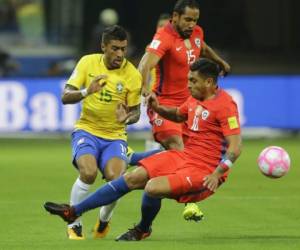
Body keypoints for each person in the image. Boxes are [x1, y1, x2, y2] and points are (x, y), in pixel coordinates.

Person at [44, 58, 242, 241]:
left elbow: (235, 147)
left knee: (152, 187)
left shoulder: (225, 105)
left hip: (204, 169)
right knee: (132, 177)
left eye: (193, 80)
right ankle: (73, 211)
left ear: (208, 82)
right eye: (188, 79)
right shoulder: (194, 98)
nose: (188, 84)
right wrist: (157, 108)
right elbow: (178, 114)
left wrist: (217, 173)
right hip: (184, 156)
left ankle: (142, 229)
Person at [139, 0, 231, 221]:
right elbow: (145, 65)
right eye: (188, 19)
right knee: (179, 147)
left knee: (189, 154)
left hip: (189, 106)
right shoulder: (163, 38)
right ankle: (189, 203)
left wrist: (219, 62)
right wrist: (145, 90)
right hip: (165, 106)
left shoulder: (196, 33)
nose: (192, 24)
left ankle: (133, 158)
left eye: (195, 20)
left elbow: (203, 46)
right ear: (175, 17)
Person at [59, 25, 143, 240]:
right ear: (103, 46)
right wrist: (87, 91)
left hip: (115, 136)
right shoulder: (88, 62)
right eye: (115, 48)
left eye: (123, 49)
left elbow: (136, 113)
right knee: (88, 173)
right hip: (87, 129)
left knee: (117, 181)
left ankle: (104, 220)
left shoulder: (132, 74)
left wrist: (128, 118)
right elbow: (65, 96)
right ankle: (74, 224)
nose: (120, 54)